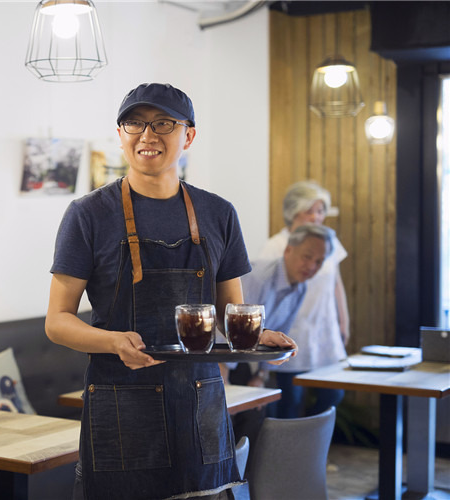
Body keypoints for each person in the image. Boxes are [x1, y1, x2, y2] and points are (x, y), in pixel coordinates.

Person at [45, 83, 297, 500]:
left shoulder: (219, 213)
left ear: (188, 135)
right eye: (135, 123)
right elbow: (57, 321)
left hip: (200, 403)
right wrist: (111, 340)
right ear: (121, 134)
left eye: (163, 123)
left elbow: (232, 309)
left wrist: (256, 338)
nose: (148, 135)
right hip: (120, 404)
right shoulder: (87, 215)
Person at [256, 181, 349, 418]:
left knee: (333, 395)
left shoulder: (328, 240)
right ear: (294, 212)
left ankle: (313, 444)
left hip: (324, 327)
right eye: (310, 211)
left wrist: (343, 321)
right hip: (292, 329)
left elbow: (336, 282)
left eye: (320, 211)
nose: (316, 217)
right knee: (292, 400)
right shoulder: (276, 245)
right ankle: (296, 449)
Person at [238, 224, 334, 424]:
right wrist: (225, 383)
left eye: (319, 261)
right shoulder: (258, 277)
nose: (312, 267)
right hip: (222, 355)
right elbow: (232, 326)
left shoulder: (300, 287)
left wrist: (261, 377)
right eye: (307, 257)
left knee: (272, 407)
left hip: (252, 359)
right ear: (288, 250)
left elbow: (280, 334)